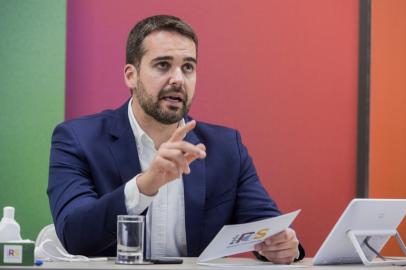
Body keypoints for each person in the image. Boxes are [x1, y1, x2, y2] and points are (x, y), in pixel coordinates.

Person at [48, 15, 304, 264]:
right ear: (131, 75)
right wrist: (144, 185)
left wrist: (281, 245)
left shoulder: (226, 148)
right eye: (163, 65)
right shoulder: (77, 139)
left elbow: (266, 225)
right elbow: (74, 234)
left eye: (188, 67)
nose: (178, 79)